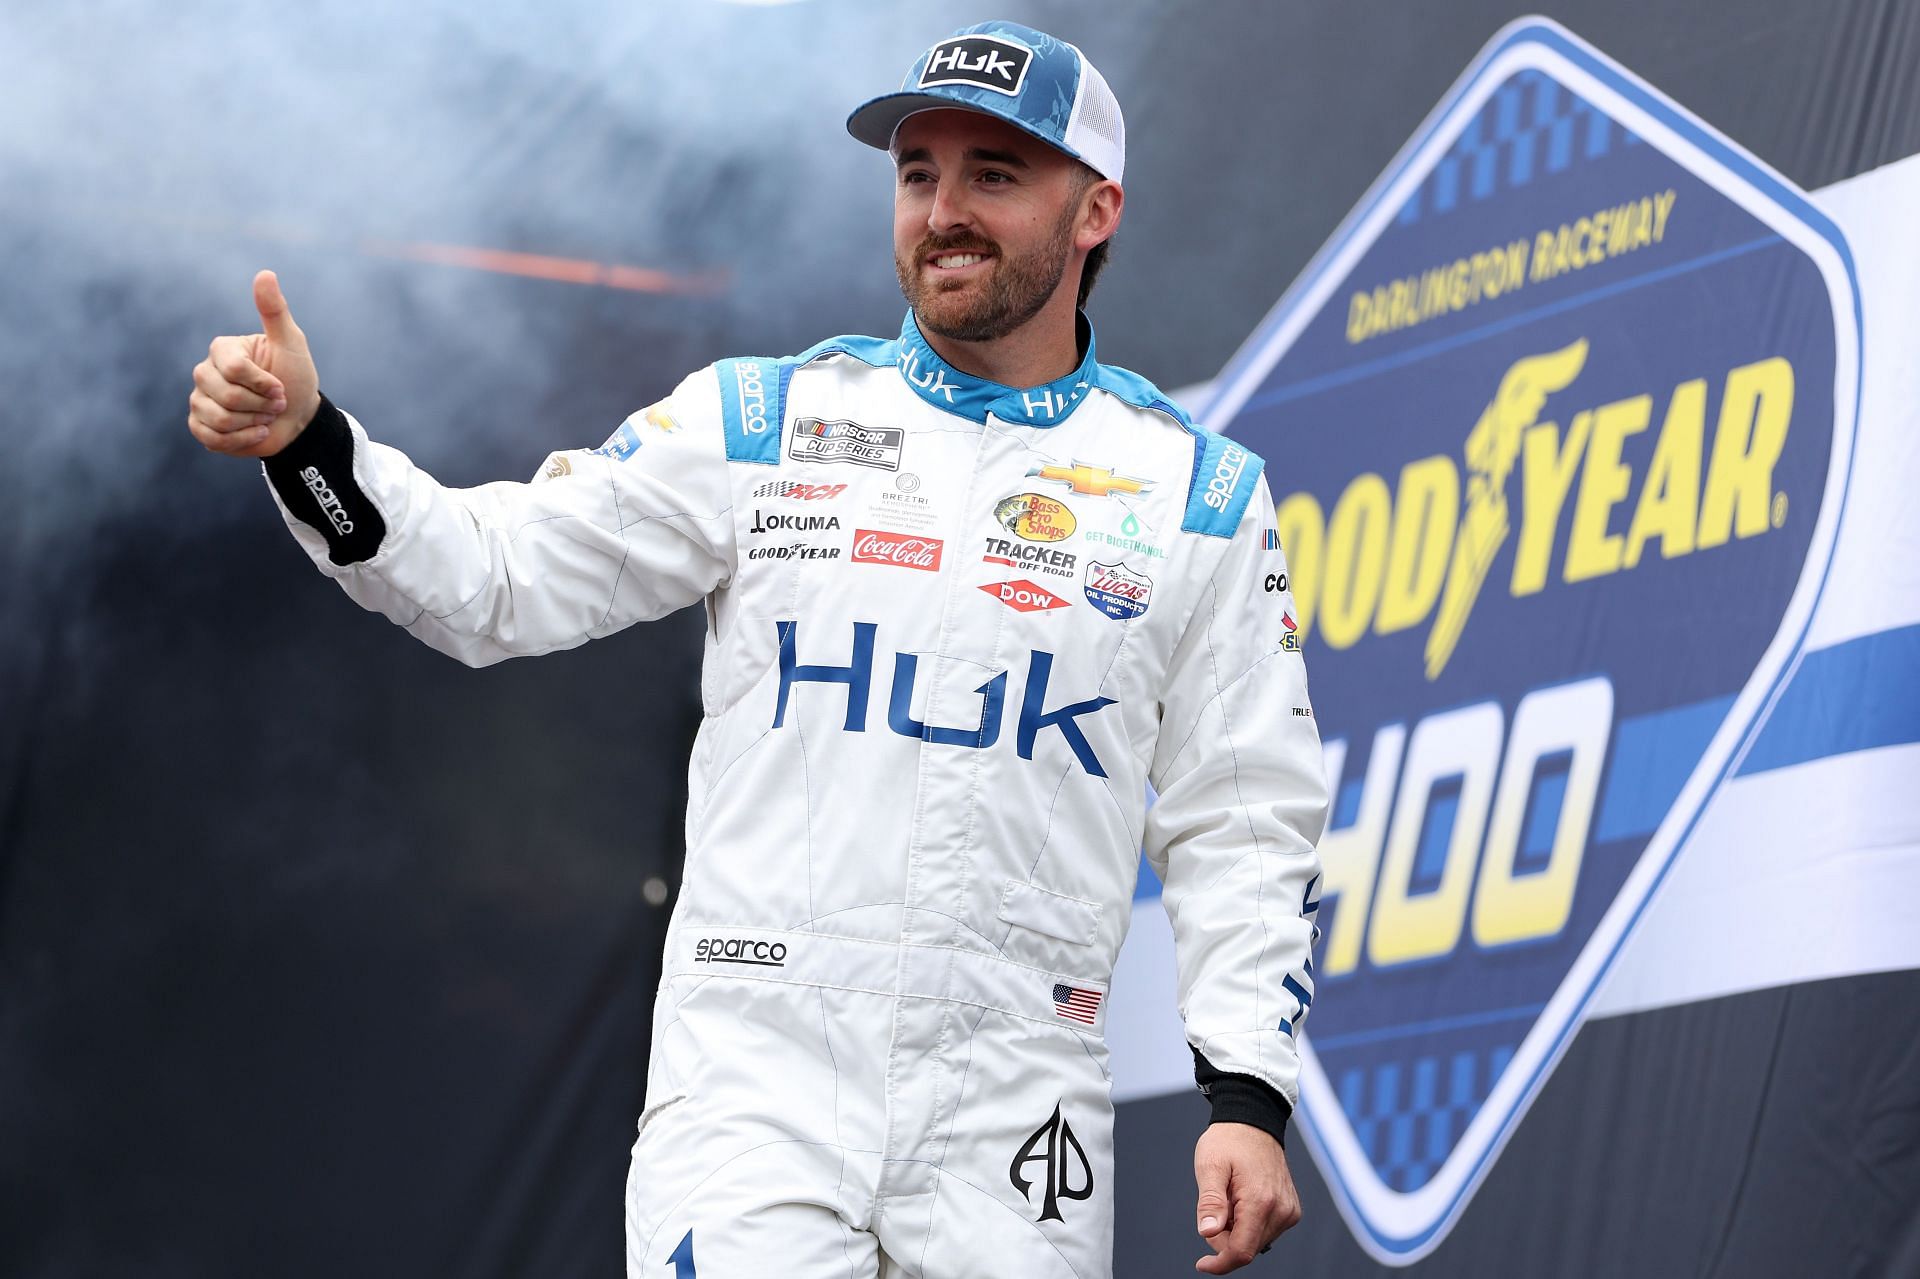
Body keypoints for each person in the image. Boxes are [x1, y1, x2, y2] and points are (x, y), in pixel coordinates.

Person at [186, 20, 1326, 1278]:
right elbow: (491, 578)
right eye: (916, 173)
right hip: (758, 1085)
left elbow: (1245, 814)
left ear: (1095, 209)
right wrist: (308, 443)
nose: (942, 210)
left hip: (1020, 1107)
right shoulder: (767, 421)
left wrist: (1247, 1096)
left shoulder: (1198, 492)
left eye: (993, 174)